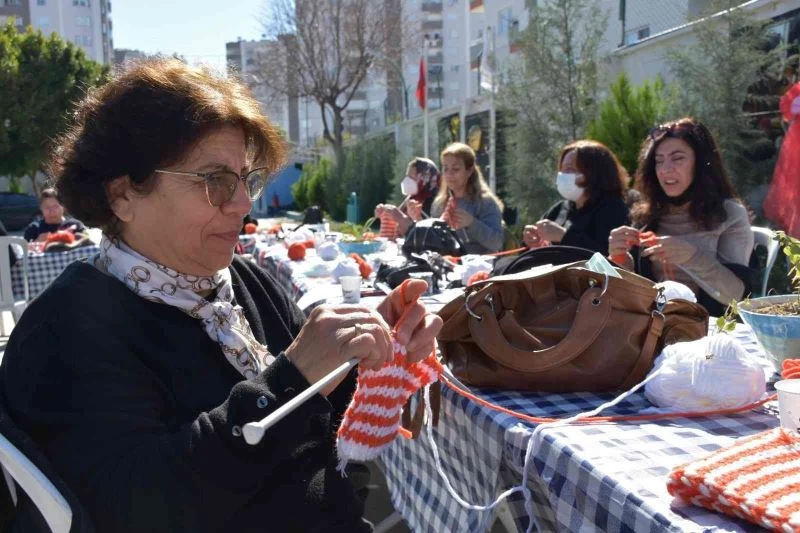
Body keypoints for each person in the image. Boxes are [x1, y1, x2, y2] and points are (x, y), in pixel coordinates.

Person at [0, 58, 442, 533]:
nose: (244, 203)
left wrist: (369, 353)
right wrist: (290, 379)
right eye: (214, 180)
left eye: (245, 179)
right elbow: (138, 508)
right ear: (122, 194)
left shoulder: (247, 284)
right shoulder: (66, 333)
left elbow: (318, 413)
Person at [608, 117, 754, 315]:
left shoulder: (729, 213)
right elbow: (633, 293)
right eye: (659, 161)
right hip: (653, 323)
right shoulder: (646, 214)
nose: (665, 169)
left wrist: (692, 257)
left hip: (708, 329)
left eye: (677, 158)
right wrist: (619, 260)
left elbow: (736, 296)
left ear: (701, 163)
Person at [522, 140, 630, 255]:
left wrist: (564, 236)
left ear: (594, 173)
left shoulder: (613, 209)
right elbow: (530, 248)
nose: (562, 176)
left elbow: (607, 255)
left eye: (569, 170)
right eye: (561, 170)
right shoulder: (559, 209)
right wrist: (529, 240)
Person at [431, 142, 504, 254]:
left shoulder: (485, 202)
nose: (449, 174)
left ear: (469, 171)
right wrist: (418, 221)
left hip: (482, 266)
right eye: (445, 169)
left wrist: (471, 223)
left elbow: (497, 242)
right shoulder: (440, 204)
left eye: (455, 169)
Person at [373, 157, 440, 237]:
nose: (407, 181)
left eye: (412, 177)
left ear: (425, 178)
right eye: (407, 176)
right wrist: (383, 212)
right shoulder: (411, 198)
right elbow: (395, 227)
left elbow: (428, 236)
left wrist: (399, 217)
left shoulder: (436, 203)